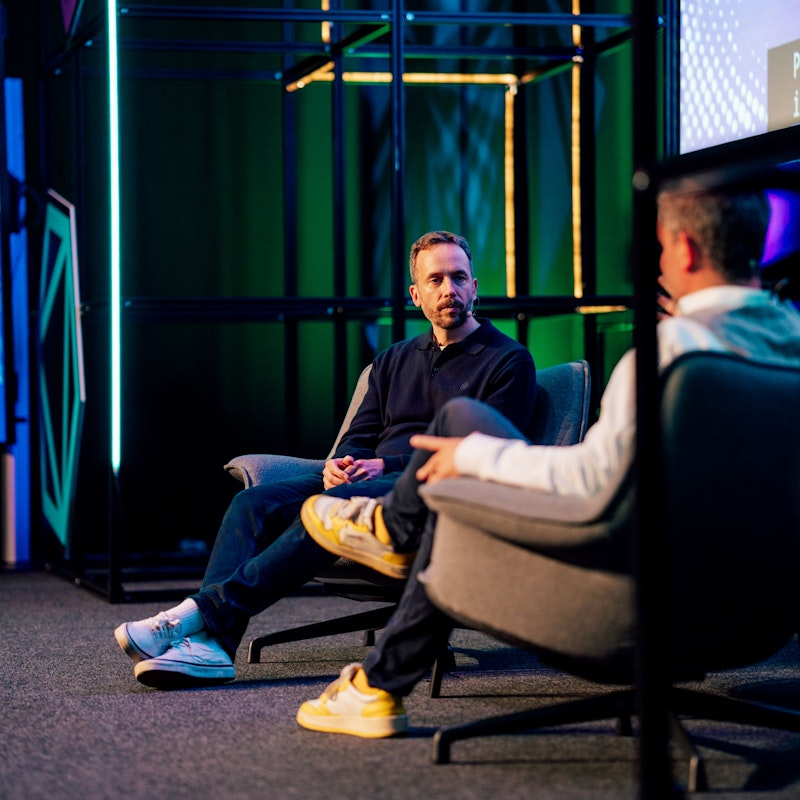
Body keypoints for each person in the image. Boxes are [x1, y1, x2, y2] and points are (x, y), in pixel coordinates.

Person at [297, 183, 800, 738]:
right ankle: (391, 547)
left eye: (658, 249)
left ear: (683, 249)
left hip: (632, 597)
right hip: (764, 607)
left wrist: (476, 459)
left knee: (456, 494)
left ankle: (378, 670)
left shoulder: (672, 354)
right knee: (463, 417)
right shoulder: (787, 340)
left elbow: (590, 484)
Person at [114, 230, 537, 688]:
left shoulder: (508, 361)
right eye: (435, 280)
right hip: (363, 482)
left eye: (459, 277)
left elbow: (479, 450)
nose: (448, 289)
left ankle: (199, 616)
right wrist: (343, 462)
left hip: (429, 490)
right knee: (251, 504)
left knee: (330, 506)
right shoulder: (393, 360)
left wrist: (386, 467)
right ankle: (214, 646)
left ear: (475, 286)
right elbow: (359, 434)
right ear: (416, 294)